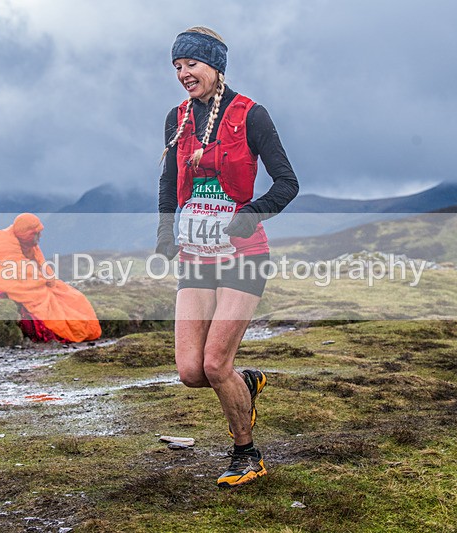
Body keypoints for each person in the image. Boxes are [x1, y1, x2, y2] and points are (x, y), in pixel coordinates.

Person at [156, 27, 299, 487]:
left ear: (215, 66)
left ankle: (247, 454)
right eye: (177, 66)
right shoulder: (176, 119)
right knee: (191, 372)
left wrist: (251, 216)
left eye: (191, 65)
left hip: (242, 255)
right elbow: (166, 182)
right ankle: (248, 383)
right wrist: (165, 232)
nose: (183, 74)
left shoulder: (251, 116)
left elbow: (286, 183)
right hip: (196, 256)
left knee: (217, 365)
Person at [0, 213, 101, 343]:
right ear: (27, 234)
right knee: (43, 299)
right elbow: (16, 270)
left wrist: (47, 280)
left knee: (69, 295)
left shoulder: (27, 243)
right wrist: (40, 280)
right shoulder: (2, 241)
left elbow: (39, 266)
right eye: (36, 234)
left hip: (9, 278)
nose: (40, 237)